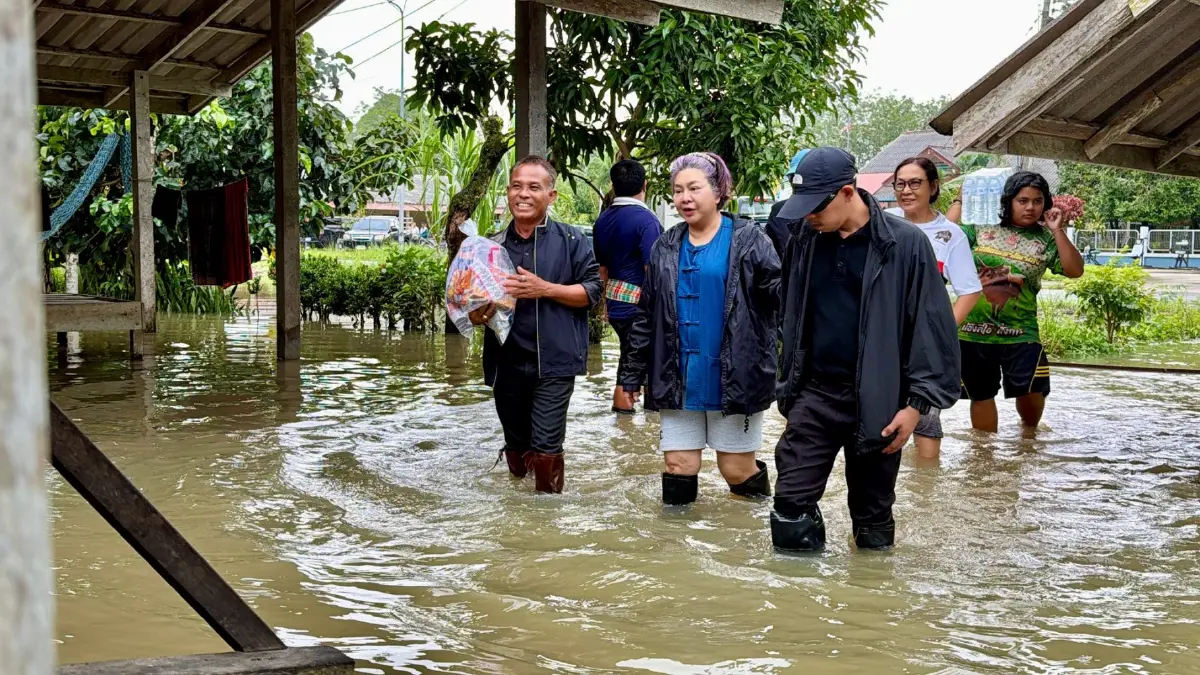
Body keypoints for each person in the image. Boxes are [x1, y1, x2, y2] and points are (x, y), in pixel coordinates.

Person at [770, 147, 961, 552]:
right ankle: (801, 590)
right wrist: (788, 389)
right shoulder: (804, 239)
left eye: (816, 206)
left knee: (872, 516)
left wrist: (916, 406)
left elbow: (931, 327)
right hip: (814, 393)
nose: (809, 215)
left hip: (880, 399)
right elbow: (790, 312)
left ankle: (871, 588)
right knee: (789, 505)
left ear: (847, 191)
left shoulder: (904, 244)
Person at [619, 152, 781, 506]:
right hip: (677, 377)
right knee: (679, 464)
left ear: (719, 191)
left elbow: (779, 302)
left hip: (736, 377)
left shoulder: (749, 240)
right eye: (678, 190)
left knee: (735, 469)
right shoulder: (665, 245)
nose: (684, 198)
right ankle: (674, 539)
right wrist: (629, 376)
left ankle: (752, 528)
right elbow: (646, 314)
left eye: (694, 188)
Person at [469, 156, 603, 494]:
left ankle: (547, 514)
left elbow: (593, 291)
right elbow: (472, 305)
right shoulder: (490, 246)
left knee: (546, 445)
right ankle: (518, 511)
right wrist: (476, 313)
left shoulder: (572, 240)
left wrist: (546, 289)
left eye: (533, 187)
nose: (523, 194)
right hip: (506, 362)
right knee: (515, 446)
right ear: (508, 192)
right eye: (516, 186)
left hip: (555, 362)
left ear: (550, 195)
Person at [958, 171, 1084, 431]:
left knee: (1032, 390)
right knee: (981, 395)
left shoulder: (1046, 238)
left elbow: (1074, 270)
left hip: (1021, 332)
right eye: (1023, 200)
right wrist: (959, 202)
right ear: (1008, 201)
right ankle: (985, 452)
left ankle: (1028, 442)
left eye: (1037, 201)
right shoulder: (979, 227)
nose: (1030, 207)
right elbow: (943, 248)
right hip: (973, 331)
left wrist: (1058, 230)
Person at [886, 157, 982, 459]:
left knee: (926, 417)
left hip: (922, 346)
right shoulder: (882, 223)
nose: (906, 190)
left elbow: (969, 291)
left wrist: (938, 333)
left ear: (933, 186)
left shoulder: (950, 235)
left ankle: (927, 479)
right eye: (900, 184)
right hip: (883, 338)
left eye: (915, 183)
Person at [593, 159, 663, 415]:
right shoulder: (647, 221)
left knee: (629, 356)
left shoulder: (602, 221)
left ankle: (625, 422)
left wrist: (605, 305)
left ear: (613, 186)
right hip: (640, 307)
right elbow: (652, 271)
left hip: (616, 304)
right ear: (645, 185)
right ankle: (645, 422)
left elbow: (602, 271)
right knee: (650, 361)